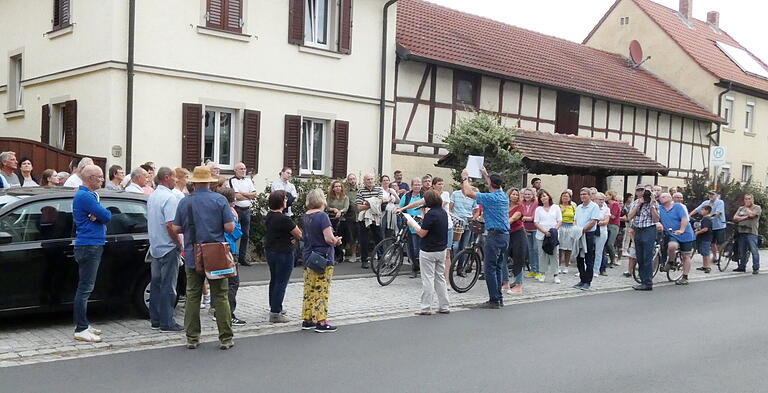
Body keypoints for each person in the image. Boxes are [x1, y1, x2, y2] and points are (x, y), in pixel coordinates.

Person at [172, 165, 236, 350]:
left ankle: (192, 338)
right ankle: (226, 338)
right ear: (209, 182)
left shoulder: (185, 202)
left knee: (193, 295)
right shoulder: (220, 200)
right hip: (215, 252)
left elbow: (176, 228)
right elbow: (230, 228)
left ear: (194, 182)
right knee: (221, 295)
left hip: (193, 252)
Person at [72, 165, 112, 342]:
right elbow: (107, 215)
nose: (102, 180)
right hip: (89, 244)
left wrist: (100, 215)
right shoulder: (85, 196)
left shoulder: (89, 195)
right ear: (90, 178)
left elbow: (102, 215)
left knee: (86, 287)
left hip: (92, 243)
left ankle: (84, 324)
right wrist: (101, 215)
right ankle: (80, 328)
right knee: (85, 288)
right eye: (99, 177)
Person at [460, 167, 509, 309]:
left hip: (495, 236)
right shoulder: (503, 195)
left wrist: (465, 178)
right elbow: (492, 184)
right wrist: (486, 175)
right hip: (505, 236)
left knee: (489, 269)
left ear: (490, 184)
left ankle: (494, 300)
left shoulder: (490, 198)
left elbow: (468, 192)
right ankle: (499, 298)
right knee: (498, 267)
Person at [146, 167, 183, 332]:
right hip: (168, 246)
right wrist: (178, 242)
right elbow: (170, 224)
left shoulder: (153, 196)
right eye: (174, 177)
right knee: (169, 286)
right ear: (166, 177)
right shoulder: (170, 198)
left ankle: (155, 319)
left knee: (156, 284)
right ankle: (167, 322)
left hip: (155, 246)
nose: (176, 180)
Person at [300, 189, 342, 333]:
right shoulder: (322, 216)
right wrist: (336, 241)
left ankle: (307, 318)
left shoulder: (305, 215)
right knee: (321, 288)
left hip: (308, 255)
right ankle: (321, 320)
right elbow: (328, 238)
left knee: (309, 288)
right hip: (322, 256)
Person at [407, 190, 450, 315]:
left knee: (428, 279)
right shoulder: (443, 212)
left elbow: (422, 233)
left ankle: (426, 307)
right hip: (441, 249)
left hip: (428, 250)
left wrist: (412, 224)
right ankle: (444, 306)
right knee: (440, 278)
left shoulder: (431, 214)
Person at [265, 190, 303, 323]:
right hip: (284, 252)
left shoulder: (269, 216)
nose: (287, 202)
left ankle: (274, 306)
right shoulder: (284, 219)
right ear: (281, 202)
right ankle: (276, 313)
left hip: (271, 250)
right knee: (281, 282)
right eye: (285, 200)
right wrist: (293, 237)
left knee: (274, 279)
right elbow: (298, 234)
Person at [216, 187, 246, 325]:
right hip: (229, 249)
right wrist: (237, 220)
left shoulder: (216, 210)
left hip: (218, 247)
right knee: (233, 282)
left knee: (221, 281)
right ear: (231, 200)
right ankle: (229, 313)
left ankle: (218, 311)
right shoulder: (230, 213)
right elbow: (236, 232)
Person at [626, 185, 660, 291]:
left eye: (643, 191)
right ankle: (643, 280)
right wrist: (639, 204)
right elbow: (629, 217)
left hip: (649, 229)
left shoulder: (653, 203)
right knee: (639, 256)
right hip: (638, 230)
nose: (641, 192)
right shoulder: (635, 203)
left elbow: (656, 219)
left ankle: (648, 282)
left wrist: (652, 205)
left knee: (647, 257)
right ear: (636, 192)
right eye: (638, 190)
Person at [657, 192, 695, 285]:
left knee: (686, 255)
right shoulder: (659, 208)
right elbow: (656, 218)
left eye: (664, 196)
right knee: (672, 246)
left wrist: (681, 230)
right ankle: (671, 262)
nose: (662, 198)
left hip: (685, 234)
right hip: (672, 233)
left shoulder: (678, 207)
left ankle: (685, 277)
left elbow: (684, 219)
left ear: (670, 198)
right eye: (661, 197)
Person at [229, 162, 257, 267]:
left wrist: (244, 194)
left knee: (246, 234)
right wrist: (248, 195)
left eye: (244, 168)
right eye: (241, 169)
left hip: (247, 209)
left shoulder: (248, 180)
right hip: (237, 208)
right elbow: (237, 196)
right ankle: (233, 255)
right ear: (235, 170)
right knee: (234, 232)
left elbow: (254, 194)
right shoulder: (232, 180)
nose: (243, 170)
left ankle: (242, 257)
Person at [573, 188, 601, 291]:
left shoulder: (594, 207)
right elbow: (575, 220)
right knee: (579, 257)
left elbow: (593, 221)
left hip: (588, 234)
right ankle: (582, 279)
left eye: (585, 194)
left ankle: (588, 281)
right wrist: (576, 229)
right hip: (578, 234)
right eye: (581, 194)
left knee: (588, 257)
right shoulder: (579, 207)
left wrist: (583, 230)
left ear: (589, 195)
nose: (583, 196)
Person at [356, 174, 384, 269]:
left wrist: (366, 202)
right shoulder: (360, 190)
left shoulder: (379, 189)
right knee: (364, 240)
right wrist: (372, 203)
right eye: (368, 179)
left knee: (379, 238)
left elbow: (379, 202)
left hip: (375, 217)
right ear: (364, 181)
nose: (370, 181)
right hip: (364, 218)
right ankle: (364, 260)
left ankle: (382, 259)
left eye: (371, 179)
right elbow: (359, 207)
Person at [534, 190, 562, 283]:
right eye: (541, 197)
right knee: (542, 255)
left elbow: (559, 220)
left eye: (545, 196)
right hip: (541, 234)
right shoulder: (538, 209)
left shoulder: (556, 207)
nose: (543, 198)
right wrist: (545, 231)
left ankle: (555, 274)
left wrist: (553, 230)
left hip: (553, 235)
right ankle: (542, 273)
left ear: (549, 197)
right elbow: (536, 222)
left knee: (554, 254)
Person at [399, 178, 424, 277]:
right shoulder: (407, 196)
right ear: (412, 186)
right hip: (410, 224)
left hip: (422, 225)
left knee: (421, 248)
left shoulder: (424, 195)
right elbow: (400, 207)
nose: (417, 186)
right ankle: (414, 268)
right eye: (415, 185)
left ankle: (422, 268)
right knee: (413, 248)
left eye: (419, 184)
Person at [690, 190, 726, 260]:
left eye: (712, 194)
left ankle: (720, 255)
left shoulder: (720, 202)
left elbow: (717, 213)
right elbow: (697, 209)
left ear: (717, 195)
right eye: (709, 194)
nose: (711, 196)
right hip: (710, 226)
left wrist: (709, 217)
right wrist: (689, 215)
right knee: (712, 242)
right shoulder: (706, 203)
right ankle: (715, 257)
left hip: (719, 225)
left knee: (719, 243)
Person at [733, 194, 761, 274]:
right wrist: (745, 217)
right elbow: (735, 218)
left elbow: (752, 215)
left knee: (754, 250)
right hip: (742, 231)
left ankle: (755, 267)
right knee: (742, 251)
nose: (747, 200)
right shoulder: (740, 208)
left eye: (749, 199)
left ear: (752, 200)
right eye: (745, 199)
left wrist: (747, 209)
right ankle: (742, 267)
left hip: (751, 232)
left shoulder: (757, 208)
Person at [505, 188, 526, 294]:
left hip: (518, 234)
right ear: (509, 195)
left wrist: (502, 224)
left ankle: (518, 285)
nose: (515, 196)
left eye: (517, 195)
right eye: (513, 194)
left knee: (518, 258)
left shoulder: (520, 206)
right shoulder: (504, 206)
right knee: (503, 258)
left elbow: (513, 218)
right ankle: (505, 283)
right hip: (506, 234)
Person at [450, 182, 478, 256]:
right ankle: (452, 263)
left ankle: (461, 266)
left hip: (468, 220)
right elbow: (450, 208)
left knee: (464, 246)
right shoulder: (455, 194)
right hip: (457, 221)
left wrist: (473, 218)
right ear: (461, 185)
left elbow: (476, 210)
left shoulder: (472, 195)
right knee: (455, 245)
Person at [558, 191, 579, 275]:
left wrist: (574, 224)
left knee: (568, 248)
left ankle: (566, 266)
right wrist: (561, 211)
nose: (565, 198)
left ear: (570, 198)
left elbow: (575, 217)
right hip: (561, 227)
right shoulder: (557, 207)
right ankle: (558, 266)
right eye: (563, 196)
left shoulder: (573, 207)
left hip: (570, 227)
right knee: (560, 248)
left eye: (567, 196)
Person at [521, 188, 540, 279]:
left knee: (536, 250)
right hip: (526, 228)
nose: (527, 196)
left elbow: (534, 216)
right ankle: (533, 270)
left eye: (529, 194)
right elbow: (521, 214)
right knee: (530, 250)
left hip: (536, 229)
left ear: (533, 195)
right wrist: (525, 217)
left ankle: (539, 271)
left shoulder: (536, 203)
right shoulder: (522, 203)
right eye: (526, 194)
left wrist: (526, 218)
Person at [343, 173, 359, 262]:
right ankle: (353, 255)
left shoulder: (360, 190)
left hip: (360, 217)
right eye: (350, 179)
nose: (352, 181)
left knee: (360, 237)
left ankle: (360, 255)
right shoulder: (346, 192)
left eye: (354, 179)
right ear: (348, 181)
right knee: (351, 237)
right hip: (350, 217)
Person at [593, 193, 611, 277]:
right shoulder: (592, 207)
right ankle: (586, 268)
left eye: (603, 200)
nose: (601, 201)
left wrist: (600, 222)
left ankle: (596, 270)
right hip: (592, 230)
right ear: (595, 199)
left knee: (599, 251)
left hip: (602, 231)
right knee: (588, 251)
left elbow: (606, 221)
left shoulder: (606, 209)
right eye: (600, 199)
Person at [695, 205, 714, 273]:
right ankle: (704, 265)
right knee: (703, 252)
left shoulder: (706, 219)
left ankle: (708, 266)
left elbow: (705, 229)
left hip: (706, 238)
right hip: (703, 238)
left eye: (703, 210)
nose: (701, 211)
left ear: (707, 211)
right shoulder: (704, 218)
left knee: (706, 252)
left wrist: (698, 232)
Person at [605, 190, 622, 268]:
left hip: (614, 225)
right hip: (608, 224)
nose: (606, 197)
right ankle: (609, 260)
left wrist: (606, 214)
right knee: (606, 243)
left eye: (607, 195)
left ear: (611, 196)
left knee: (610, 243)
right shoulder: (607, 205)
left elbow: (613, 216)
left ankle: (613, 260)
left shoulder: (615, 204)